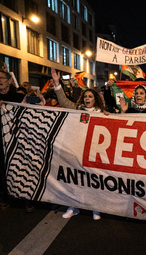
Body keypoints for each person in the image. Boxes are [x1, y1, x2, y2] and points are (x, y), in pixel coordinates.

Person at [51, 68, 104, 220]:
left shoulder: (102, 113)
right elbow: (63, 101)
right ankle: (73, 207)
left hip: (94, 151)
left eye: (90, 96)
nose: (87, 99)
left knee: (94, 180)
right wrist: (57, 84)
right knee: (76, 179)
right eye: (85, 96)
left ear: (95, 99)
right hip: (77, 150)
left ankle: (96, 208)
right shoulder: (76, 109)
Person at [0, 70, 25, 210]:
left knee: (19, 166)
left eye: (1, 78)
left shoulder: (19, 97)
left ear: (9, 80)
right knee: (1, 169)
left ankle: (25, 197)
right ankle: (5, 196)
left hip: (16, 138)